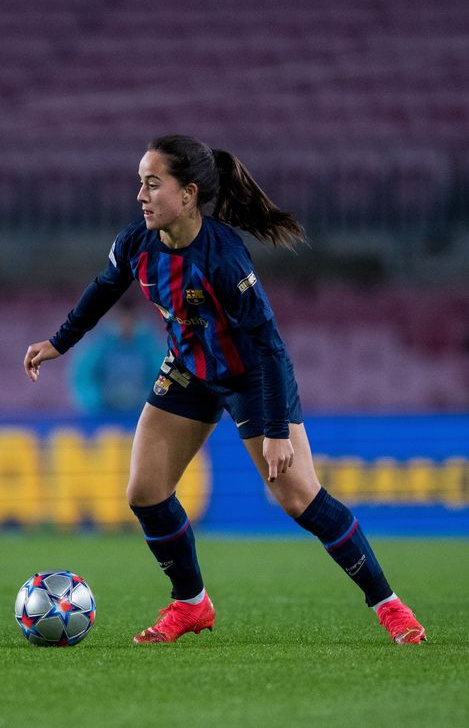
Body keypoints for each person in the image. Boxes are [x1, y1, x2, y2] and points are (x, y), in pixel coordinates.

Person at [24, 134, 425, 646]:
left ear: (188, 194)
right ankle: (191, 604)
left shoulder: (224, 256)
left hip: (250, 377)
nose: (141, 196)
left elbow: (268, 347)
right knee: (145, 493)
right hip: (189, 372)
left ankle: (390, 606)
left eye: (152, 184)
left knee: (300, 497)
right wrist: (60, 342)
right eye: (139, 184)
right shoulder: (136, 243)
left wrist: (276, 431)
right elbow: (104, 289)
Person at [68, 296, 166, 414]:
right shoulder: (99, 343)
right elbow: (83, 377)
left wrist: (146, 400)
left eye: (130, 318)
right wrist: (98, 400)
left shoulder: (150, 345)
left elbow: (162, 377)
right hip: (103, 415)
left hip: (141, 414)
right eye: (122, 318)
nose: (126, 323)